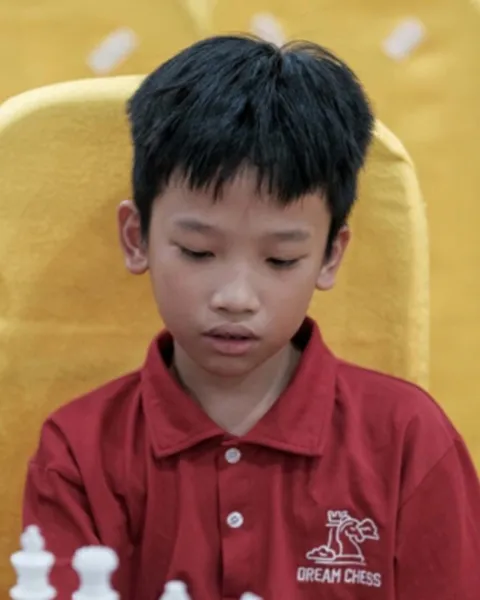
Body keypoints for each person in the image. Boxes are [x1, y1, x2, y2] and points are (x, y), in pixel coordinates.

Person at [23, 35, 480, 600]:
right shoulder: (79, 450)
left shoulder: (408, 438)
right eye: (198, 252)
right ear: (137, 238)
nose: (236, 297)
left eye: (281, 260)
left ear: (329, 256)